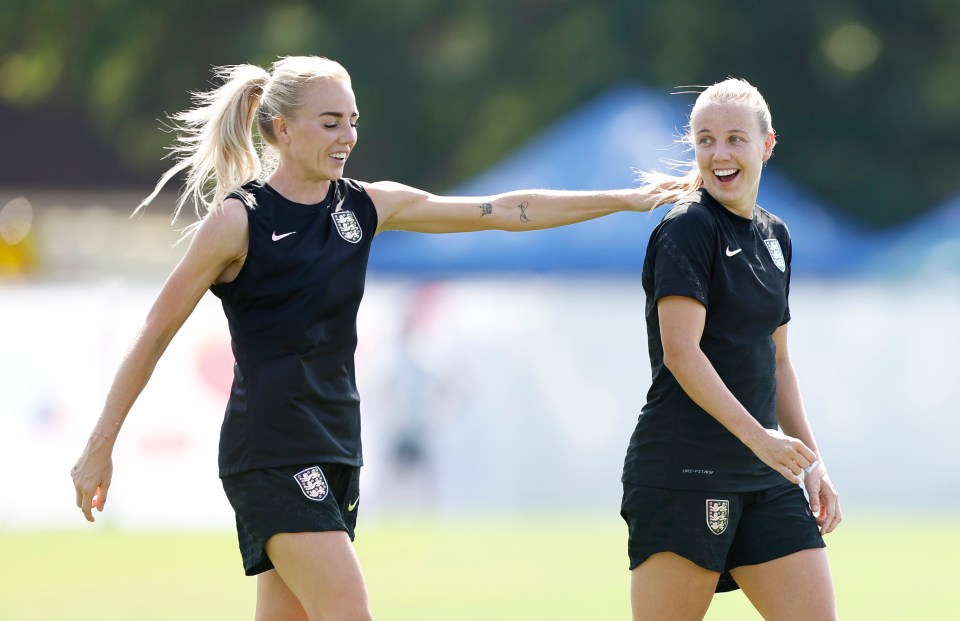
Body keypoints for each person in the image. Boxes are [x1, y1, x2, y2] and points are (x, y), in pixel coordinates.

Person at [70, 55, 687, 621]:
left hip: (338, 444)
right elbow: (154, 332)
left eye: (353, 122)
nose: (348, 138)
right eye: (331, 123)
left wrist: (625, 200)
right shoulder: (238, 221)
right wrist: (100, 445)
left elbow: (504, 209)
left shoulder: (367, 206)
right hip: (273, 451)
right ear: (282, 129)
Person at [620, 78, 842, 620]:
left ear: (766, 145)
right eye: (705, 139)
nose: (719, 154)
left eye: (735, 139)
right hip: (683, 473)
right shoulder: (687, 228)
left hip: (765, 479)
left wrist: (810, 463)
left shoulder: (776, 235)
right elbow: (682, 353)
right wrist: (761, 439)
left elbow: (778, 359)